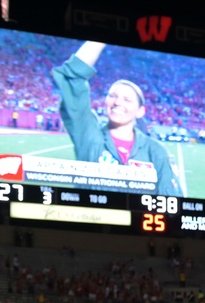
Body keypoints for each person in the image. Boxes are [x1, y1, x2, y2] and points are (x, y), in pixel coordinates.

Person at [51, 41, 183, 196]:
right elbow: (72, 78)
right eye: (112, 96)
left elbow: (172, 201)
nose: (118, 102)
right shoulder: (90, 137)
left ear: (140, 111)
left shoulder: (156, 150)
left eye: (127, 99)